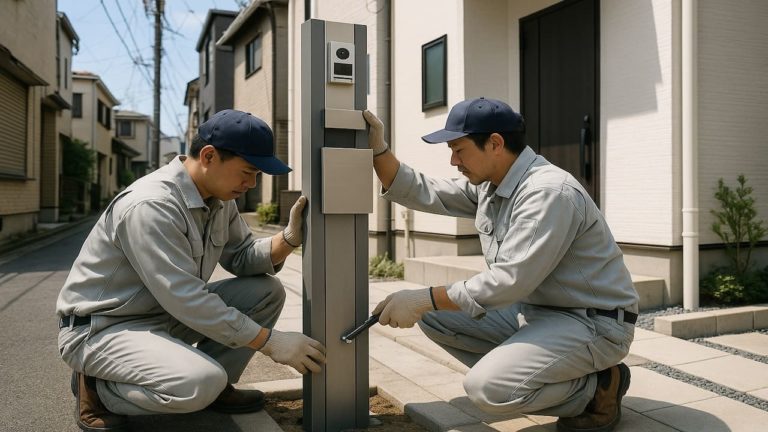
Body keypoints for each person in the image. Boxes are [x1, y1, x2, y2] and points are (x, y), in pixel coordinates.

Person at [363, 98, 639, 432]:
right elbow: (425, 190)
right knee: (436, 316)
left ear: (495, 143)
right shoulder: (493, 186)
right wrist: (378, 150)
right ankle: (545, 371)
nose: (453, 161)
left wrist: (423, 298)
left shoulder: (547, 192)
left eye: (458, 150)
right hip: (538, 312)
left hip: (593, 322)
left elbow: (509, 281)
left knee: (487, 389)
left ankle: (597, 389)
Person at [56, 109, 326, 432]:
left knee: (266, 292)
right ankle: (99, 387)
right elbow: (187, 299)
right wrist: (271, 342)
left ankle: (217, 387)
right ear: (209, 156)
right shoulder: (152, 205)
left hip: (162, 315)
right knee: (199, 383)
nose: (251, 183)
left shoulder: (219, 200)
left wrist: (289, 238)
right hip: (104, 327)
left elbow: (241, 257)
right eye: (247, 172)